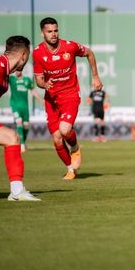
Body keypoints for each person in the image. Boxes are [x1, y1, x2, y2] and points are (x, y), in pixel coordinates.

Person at [33, 17, 103, 180]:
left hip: (70, 95)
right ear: (42, 33)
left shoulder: (69, 46)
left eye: (55, 30)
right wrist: (44, 84)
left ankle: (75, 146)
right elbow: (38, 80)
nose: (53, 34)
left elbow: (89, 53)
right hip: (51, 99)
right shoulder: (37, 53)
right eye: (49, 31)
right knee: (57, 139)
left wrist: (95, 76)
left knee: (64, 131)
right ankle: (70, 169)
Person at [0, 36, 40, 201]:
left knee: (11, 138)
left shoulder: (3, 73)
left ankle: (17, 192)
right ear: (23, 55)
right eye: (29, 55)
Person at [9, 70, 44, 152]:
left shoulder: (27, 80)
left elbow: (33, 91)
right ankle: (21, 145)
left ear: (21, 70)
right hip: (15, 106)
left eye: (18, 69)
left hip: (25, 107)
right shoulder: (11, 79)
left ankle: (23, 142)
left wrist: (41, 100)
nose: (17, 71)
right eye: (16, 70)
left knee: (26, 126)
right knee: (19, 122)